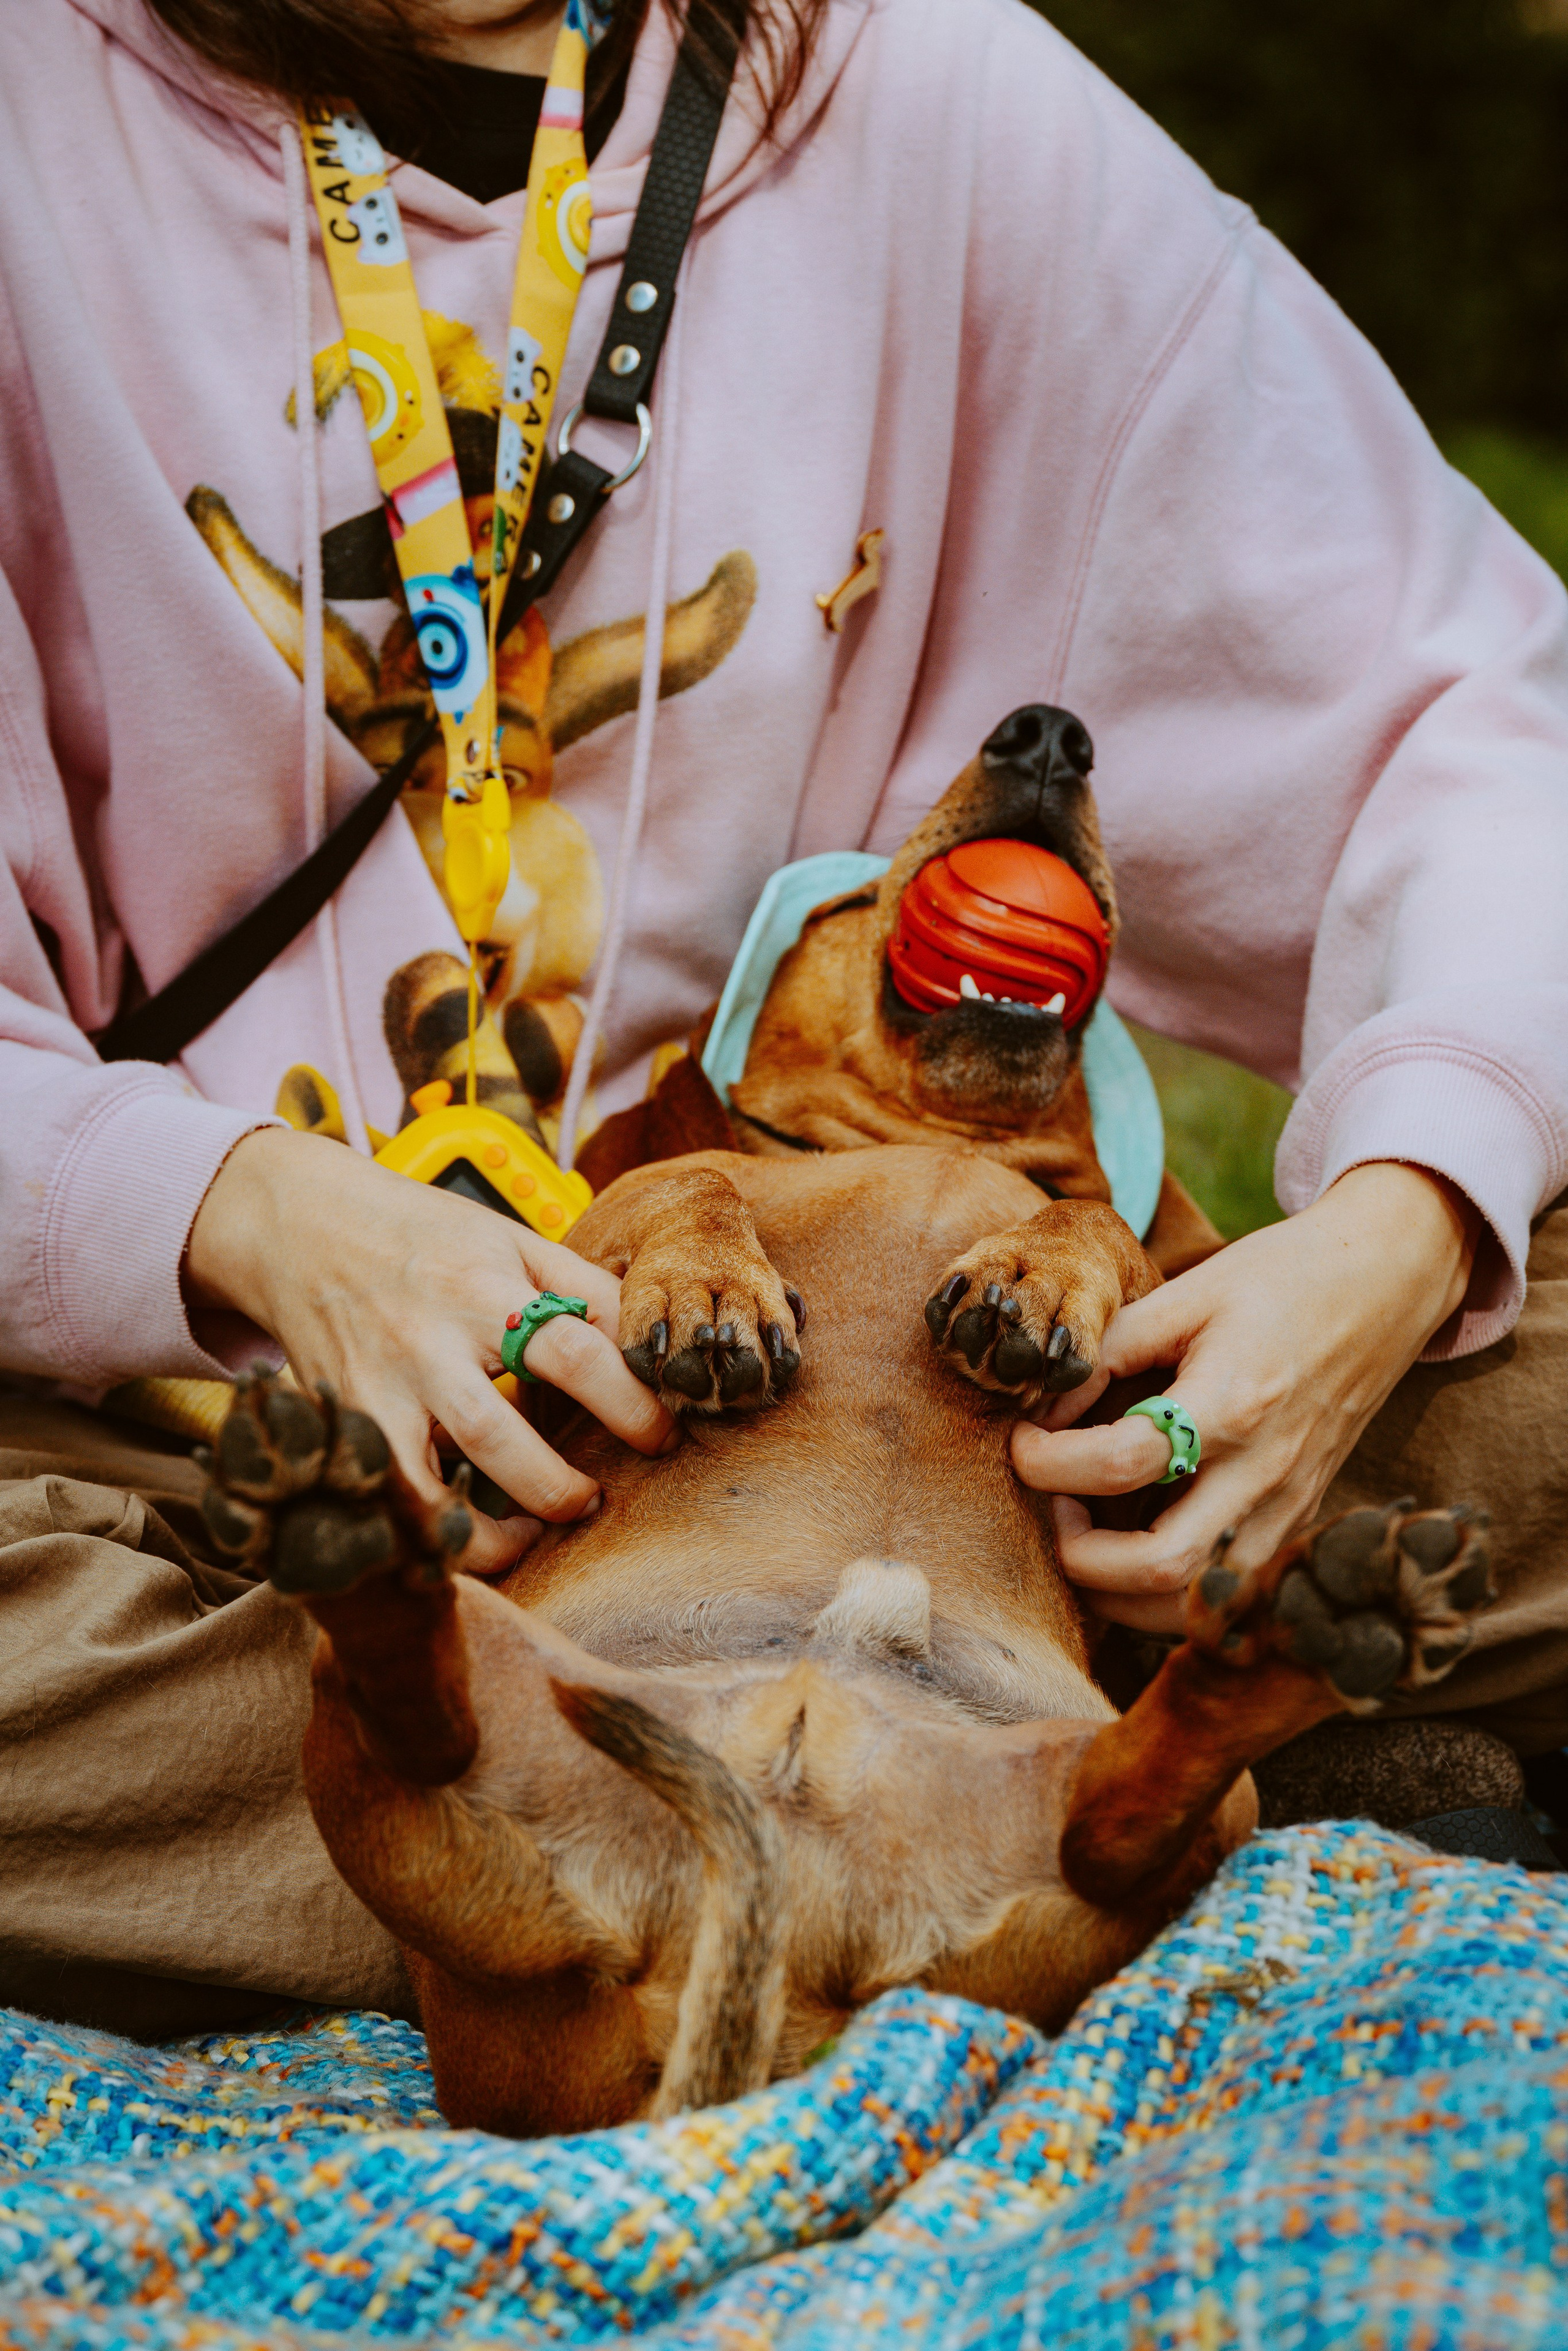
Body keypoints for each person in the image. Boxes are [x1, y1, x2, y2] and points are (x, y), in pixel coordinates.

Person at [1, 0, 1565, 2031]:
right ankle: (1042, 1815)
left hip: (1008, 1454)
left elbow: (1493, 724)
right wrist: (239, 1214)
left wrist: (1392, 1240)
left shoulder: (920, 87)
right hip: (201, 1487)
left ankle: (673, 1852)